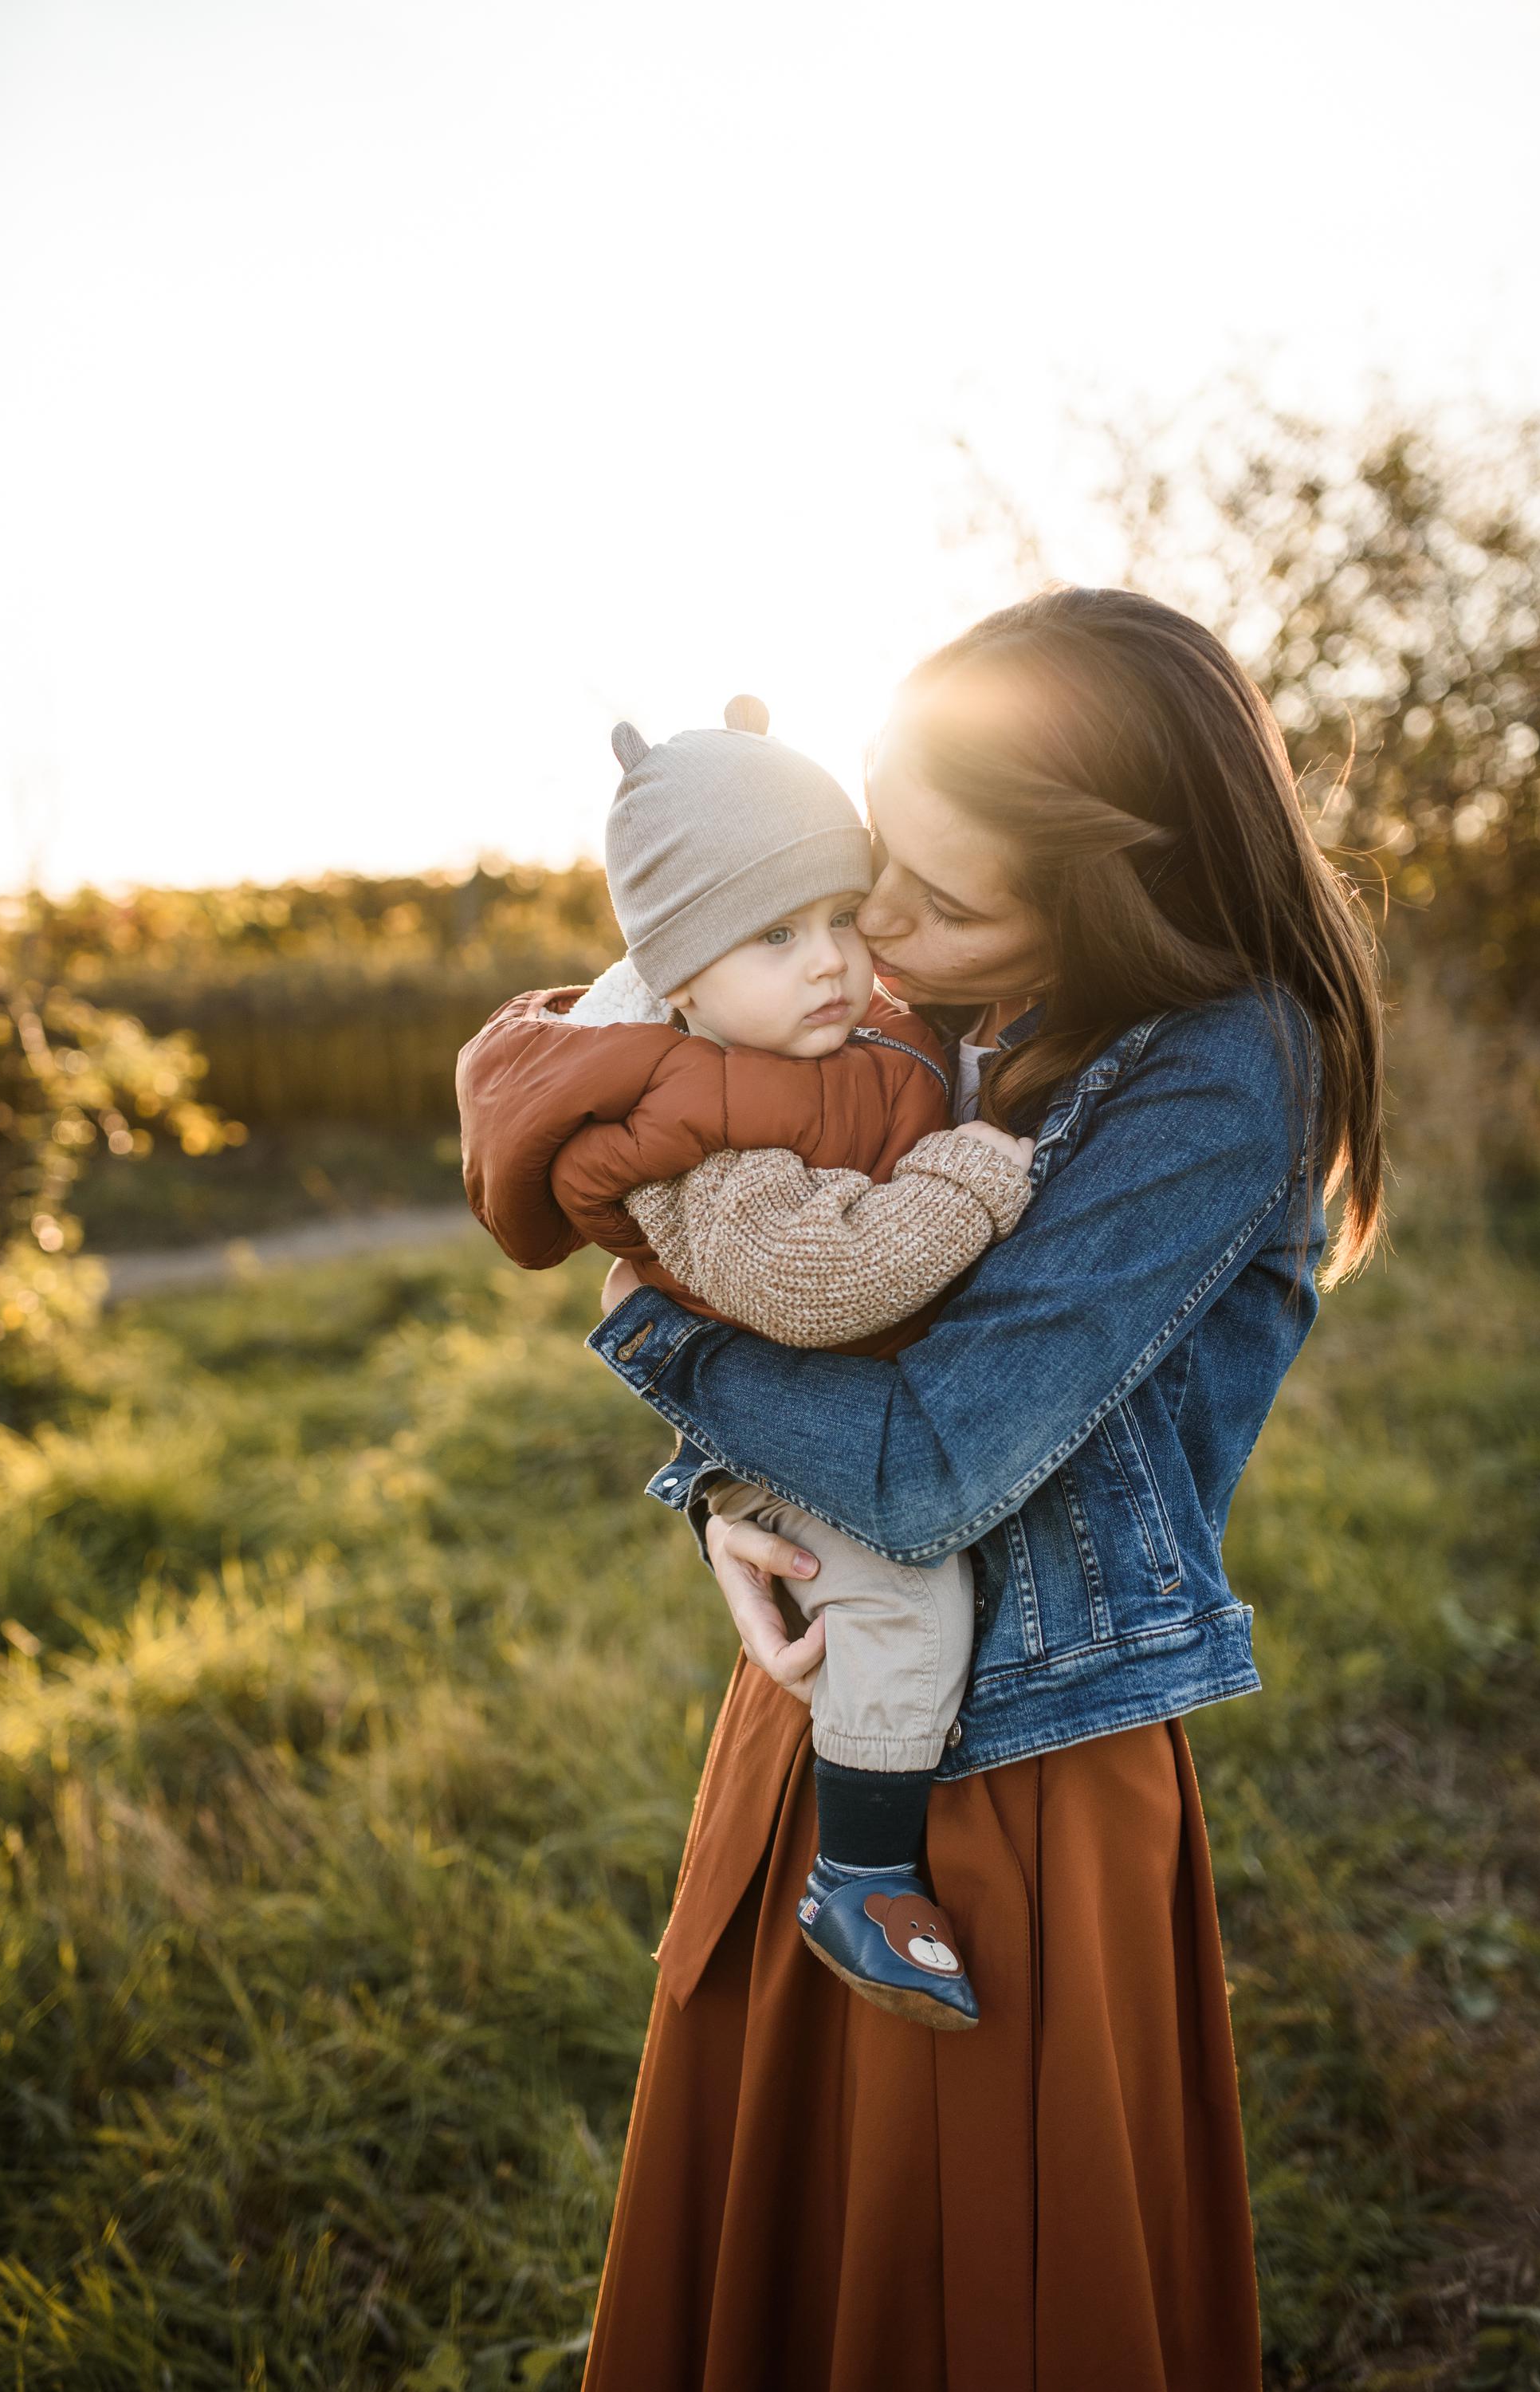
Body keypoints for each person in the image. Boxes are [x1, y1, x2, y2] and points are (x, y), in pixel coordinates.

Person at [550, 588, 1385, 2392]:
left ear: (1120, 886)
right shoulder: (947, 1014)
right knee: (788, 2245)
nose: (882, 934)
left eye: (942, 899)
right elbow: (778, 1281)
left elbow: (930, 1465)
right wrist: (720, 1503)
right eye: (874, 874)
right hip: (828, 1697)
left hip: (1010, 1776)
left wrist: (657, 1348)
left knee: (980, 2272)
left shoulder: (1219, 1071)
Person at [455, 695, 1035, 2029]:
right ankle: (863, 1874)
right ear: (678, 976)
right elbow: (822, 1284)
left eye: (840, 917)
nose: (829, 961)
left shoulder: (823, 1036)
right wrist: (972, 1175)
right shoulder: (689, 1128)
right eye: (774, 936)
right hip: (800, 1431)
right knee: (907, 1603)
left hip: (868, 1405)